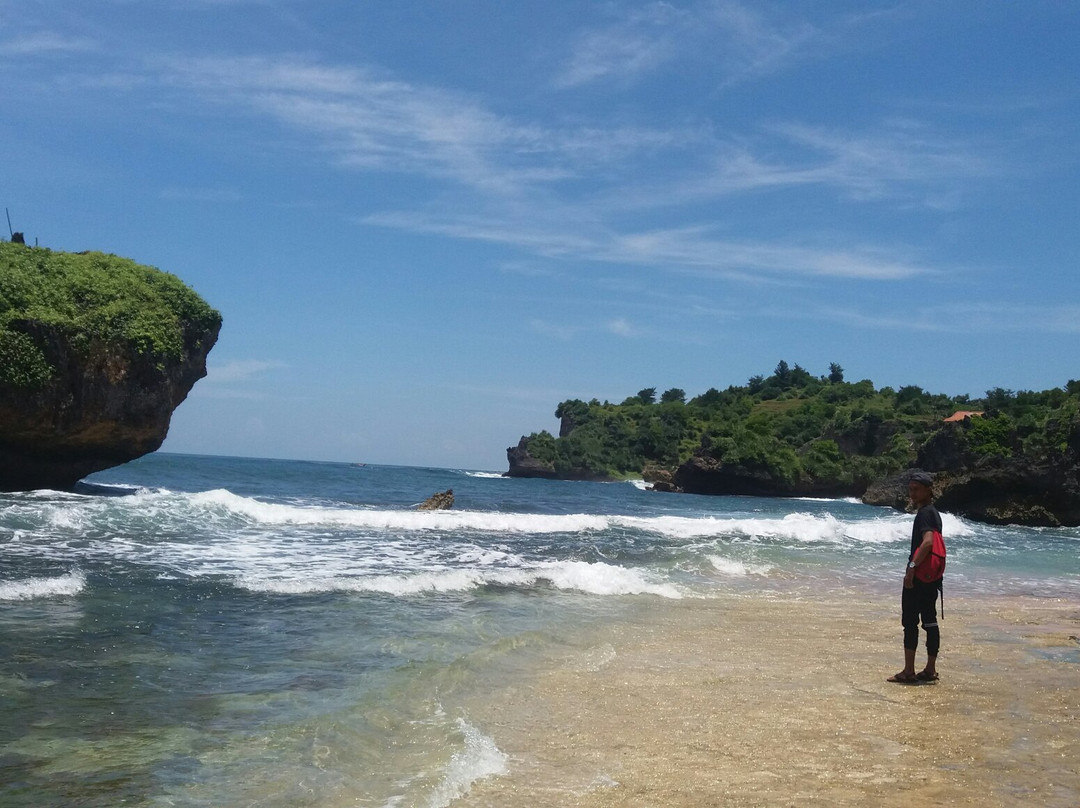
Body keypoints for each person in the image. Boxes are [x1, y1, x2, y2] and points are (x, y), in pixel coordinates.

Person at [887, 470, 942, 684]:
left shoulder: (925, 514)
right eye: (910, 490)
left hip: (919, 576)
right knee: (930, 622)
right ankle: (930, 670)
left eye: (916, 489)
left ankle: (908, 671)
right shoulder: (935, 513)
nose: (912, 494)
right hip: (932, 577)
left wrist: (911, 567)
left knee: (910, 622)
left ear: (928, 490)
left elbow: (927, 542)